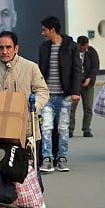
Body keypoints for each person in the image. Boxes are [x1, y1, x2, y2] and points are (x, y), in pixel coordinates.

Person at [0, 30, 49, 132]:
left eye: (8, 47)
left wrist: (34, 105)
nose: (4, 51)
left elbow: (42, 91)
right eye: (1, 48)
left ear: (16, 48)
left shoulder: (31, 67)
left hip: (26, 126)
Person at [37, 16, 82, 173]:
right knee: (46, 128)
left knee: (63, 128)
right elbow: (40, 71)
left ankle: (62, 158)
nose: (42, 33)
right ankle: (47, 159)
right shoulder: (44, 48)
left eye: (44, 30)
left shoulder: (71, 46)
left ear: (52, 30)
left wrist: (76, 91)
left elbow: (77, 70)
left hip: (65, 96)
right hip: (47, 97)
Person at [70, 35, 100, 138]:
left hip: (88, 84)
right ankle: (70, 129)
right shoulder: (73, 52)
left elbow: (95, 67)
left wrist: (89, 78)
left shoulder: (92, 52)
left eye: (85, 46)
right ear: (78, 44)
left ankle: (86, 129)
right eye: (81, 46)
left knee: (88, 107)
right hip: (75, 84)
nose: (83, 48)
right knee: (72, 108)